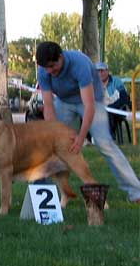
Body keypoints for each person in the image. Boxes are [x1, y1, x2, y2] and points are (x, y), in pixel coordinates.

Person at [35, 41, 140, 203]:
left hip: (91, 101)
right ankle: (51, 193)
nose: (50, 71)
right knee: (50, 144)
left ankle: (136, 192)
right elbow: (48, 106)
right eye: (46, 67)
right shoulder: (43, 71)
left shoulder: (80, 64)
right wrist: (53, 135)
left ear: (61, 57)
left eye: (52, 66)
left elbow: (89, 106)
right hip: (63, 102)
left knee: (105, 144)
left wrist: (81, 138)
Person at [95, 61, 131, 141]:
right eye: (98, 71)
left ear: (107, 71)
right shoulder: (94, 84)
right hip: (100, 108)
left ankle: (110, 137)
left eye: (102, 70)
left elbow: (124, 98)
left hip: (117, 109)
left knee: (109, 111)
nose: (100, 73)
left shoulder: (116, 81)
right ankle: (88, 139)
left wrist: (111, 106)